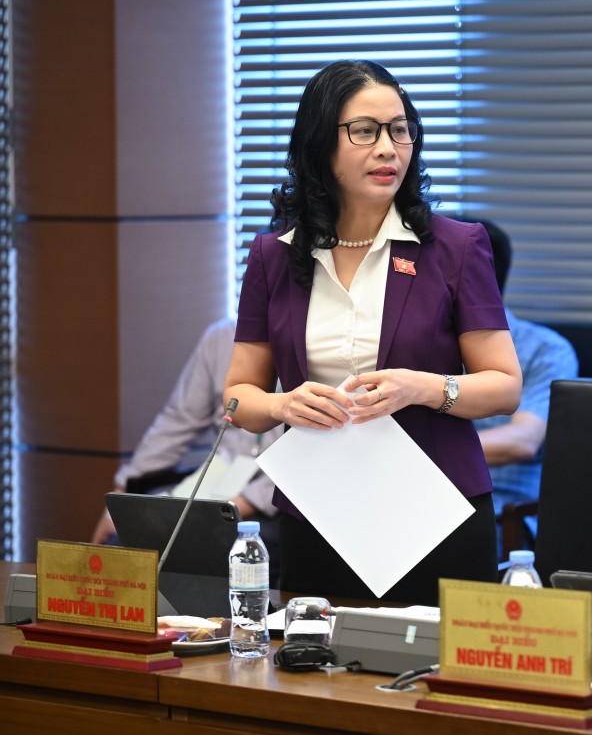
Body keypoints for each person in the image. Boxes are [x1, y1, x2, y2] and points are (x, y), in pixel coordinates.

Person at [224, 60, 522, 606]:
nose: (388, 149)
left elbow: (504, 385)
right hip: (320, 511)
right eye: (365, 131)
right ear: (320, 142)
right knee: (316, 655)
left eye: (400, 130)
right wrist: (282, 404)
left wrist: (422, 387)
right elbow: (237, 398)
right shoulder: (274, 255)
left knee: (437, 659)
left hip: (436, 513)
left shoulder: (456, 248)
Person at [91, 318, 283, 547]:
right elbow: (177, 422)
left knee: (207, 545)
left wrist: (234, 506)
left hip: (277, 499)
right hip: (221, 481)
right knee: (126, 539)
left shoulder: (308, 341)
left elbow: (304, 455)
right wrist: (120, 496)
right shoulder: (221, 337)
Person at [454, 217, 579, 520]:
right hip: (420, 496)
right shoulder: (417, 341)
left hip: (502, 508)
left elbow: (522, 441)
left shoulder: (545, 350)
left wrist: (429, 454)